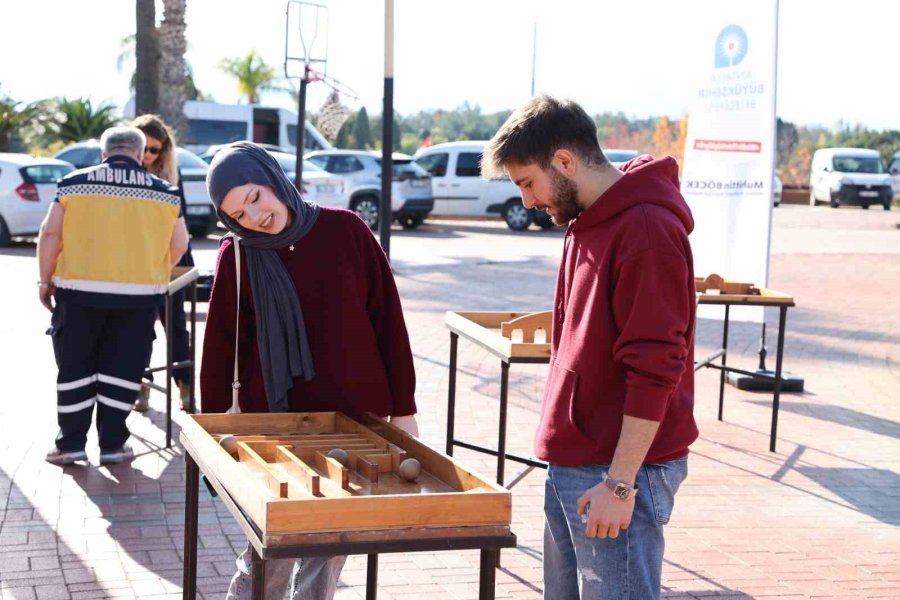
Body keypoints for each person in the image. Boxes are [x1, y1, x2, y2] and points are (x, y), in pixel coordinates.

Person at [482, 96, 699, 599]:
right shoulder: (586, 217)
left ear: (563, 161)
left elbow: (656, 367)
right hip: (575, 460)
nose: (528, 201)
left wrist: (621, 484)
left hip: (618, 474)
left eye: (527, 183)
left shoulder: (646, 229)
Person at [201, 142, 419, 599]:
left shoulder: (347, 230)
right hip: (274, 429)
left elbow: (389, 324)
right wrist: (214, 432)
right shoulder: (237, 256)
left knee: (329, 548)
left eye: (256, 197)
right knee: (267, 551)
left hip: (355, 424)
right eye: (238, 214)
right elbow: (220, 352)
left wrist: (404, 409)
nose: (254, 216)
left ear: (273, 178)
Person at [38, 125, 189, 466]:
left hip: (78, 295)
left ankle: (71, 444)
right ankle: (113, 445)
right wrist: (150, 271)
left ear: (103, 154)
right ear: (139, 155)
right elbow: (179, 245)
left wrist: (45, 282)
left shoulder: (73, 184)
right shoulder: (165, 192)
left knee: (75, 368)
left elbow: (50, 233)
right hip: (137, 300)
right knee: (121, 370)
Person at [130, 114, 195, 413]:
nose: (147, 155)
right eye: (143, 147)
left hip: (172, 261)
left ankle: (185, 387)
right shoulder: (123, 176)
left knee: (176, 327)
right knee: (138, 327)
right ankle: (140, 387)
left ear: (164, 151)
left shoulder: (169, 180)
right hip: (136, 262)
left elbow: (178, 230)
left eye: (154, 149)